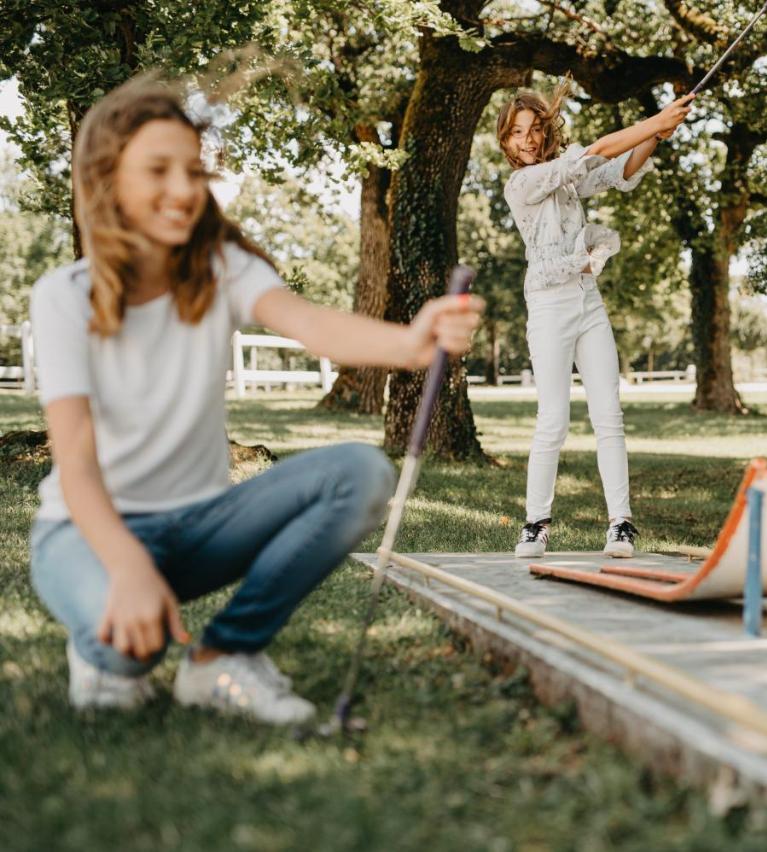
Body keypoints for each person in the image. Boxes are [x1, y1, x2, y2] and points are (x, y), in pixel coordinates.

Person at [28, 77, 484, 725]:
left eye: (192, 171)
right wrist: (127, 568)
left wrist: (412, 342)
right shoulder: (63, 295)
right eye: (158, 170)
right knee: (129, 652)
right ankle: (97, 648)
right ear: (108, 178)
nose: (184, 190)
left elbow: (311, 324)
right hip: (84, 533)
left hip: (198, 525)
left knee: (358, 474)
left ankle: (224, 656)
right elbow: (73, 461)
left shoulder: (223, 267)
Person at [497, 82, 693, 559]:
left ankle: (620, 524)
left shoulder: (565, 180)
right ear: (505, 141)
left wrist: (660, 134)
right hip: (548, 308)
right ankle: (535, 524)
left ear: (546, 134)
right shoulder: (522, 184)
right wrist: (653, 121)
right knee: (554, 420)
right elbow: (595, 151)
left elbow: (614, 169)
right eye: (517, 132)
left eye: (535, 130)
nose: (526, 139)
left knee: (609, 415)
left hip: (588, 304)